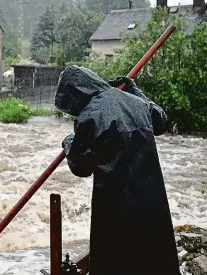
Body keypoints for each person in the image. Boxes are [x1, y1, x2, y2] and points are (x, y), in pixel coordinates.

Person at [54, 65, 180, 275]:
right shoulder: (136, 102)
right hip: (152, 201)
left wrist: (68, 142)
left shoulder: (88, 117)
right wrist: (134, 90)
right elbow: (161, 121)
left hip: (116, 207)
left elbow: (80, 167)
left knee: (117, 260)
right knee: (154, 257)